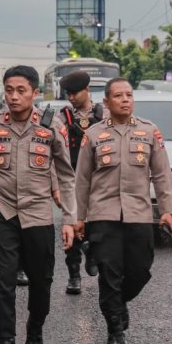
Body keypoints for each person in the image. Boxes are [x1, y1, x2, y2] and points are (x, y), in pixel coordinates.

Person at [0, 65, 76, 344]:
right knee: (3, 284)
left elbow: (67, 175)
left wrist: (69, 218)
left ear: (34, 93)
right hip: (2, 213)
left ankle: (35, 329)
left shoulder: (50, 126)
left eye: (21, 91)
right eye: (9, 90)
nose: (14, 97)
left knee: (42, 283)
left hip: (39, 214)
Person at [74, 77, 172, 344]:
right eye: (118, 96)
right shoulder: (94, 135)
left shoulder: (149, 131)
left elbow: (162, 174)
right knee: (110, 274)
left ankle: (118, 304)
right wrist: (78, 218)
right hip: (103, 215)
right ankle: (116, 330)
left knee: (140, 270)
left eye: (129, 95)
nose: (125, 100)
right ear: (106, 102)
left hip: (138, 214)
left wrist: (167, 210)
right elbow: (82, 179)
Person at [58, 70, 104, 295]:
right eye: (68, 93)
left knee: (97, 224)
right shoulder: (62, 117)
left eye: (75, 93)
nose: (71, 97)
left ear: (88, 90)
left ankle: (92, 252)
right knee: (73, 224)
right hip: (72, 178)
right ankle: (74, 275)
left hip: (99, 178)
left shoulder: (103, 115)